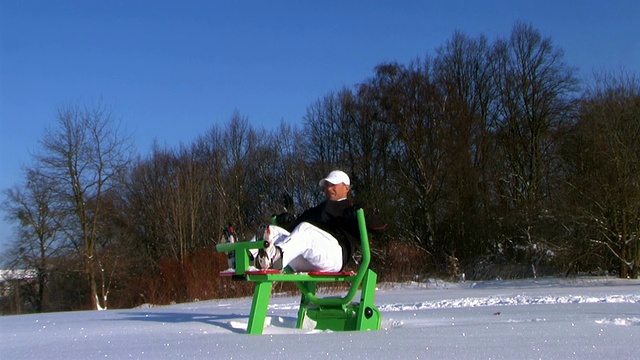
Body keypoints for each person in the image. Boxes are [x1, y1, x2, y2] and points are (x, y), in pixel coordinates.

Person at [253, 170, 386, 272]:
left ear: (346, 188)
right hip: (309, 258)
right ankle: (243, 258)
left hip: (336, 255)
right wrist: (286, 220)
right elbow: (295, 227)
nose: (329, 188)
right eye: (327, 185)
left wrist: (365, 213)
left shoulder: (352, 209)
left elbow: (380, 227)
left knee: (306, 229)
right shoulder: (319, 210)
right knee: (273, 231)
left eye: (333, 184)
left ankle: (275, 256)